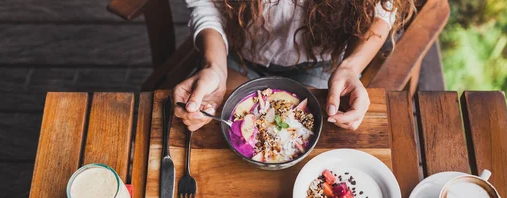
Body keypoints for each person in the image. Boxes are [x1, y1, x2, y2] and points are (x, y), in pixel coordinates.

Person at [174, 0, 415, 132]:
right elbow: (207, 4)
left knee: (318, 141)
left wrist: (350, 67)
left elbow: (382, 9)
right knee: (212, 132)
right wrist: (214, 66)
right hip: (235, 52)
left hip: (323, 64)